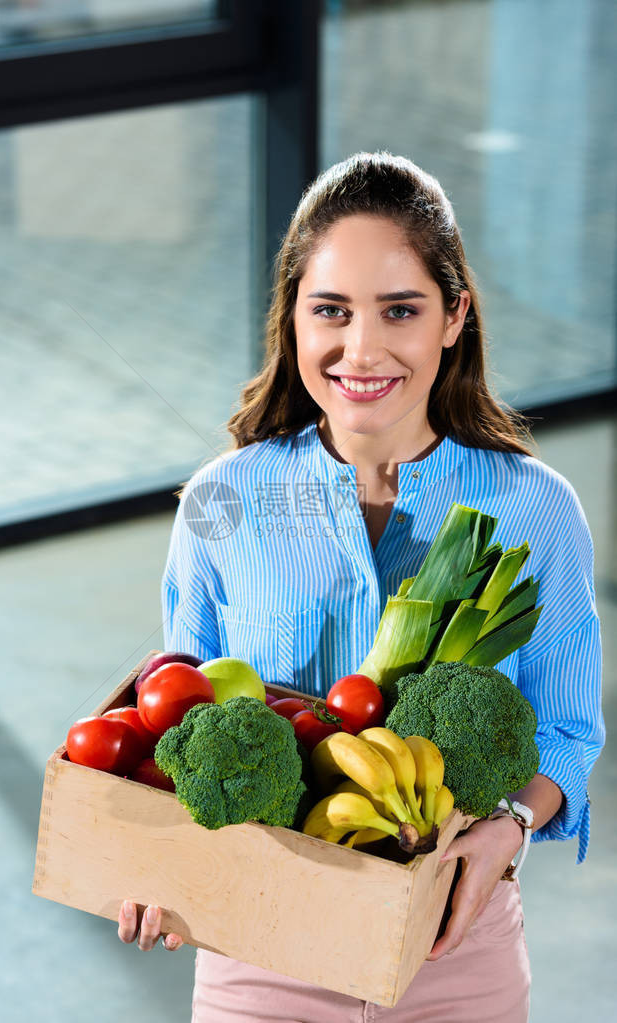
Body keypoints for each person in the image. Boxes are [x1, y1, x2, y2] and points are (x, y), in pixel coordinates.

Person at [117, 151, 604, 1021]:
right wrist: (154, 856)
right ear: (293, 320)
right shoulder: (224, 500)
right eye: (331, 311)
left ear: (453, 317)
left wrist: (511, 827)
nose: (361, 348)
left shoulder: (536, 510)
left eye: (401, 310)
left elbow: (567, 731)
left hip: (453, 949)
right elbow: (171, 712)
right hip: (254, 943)